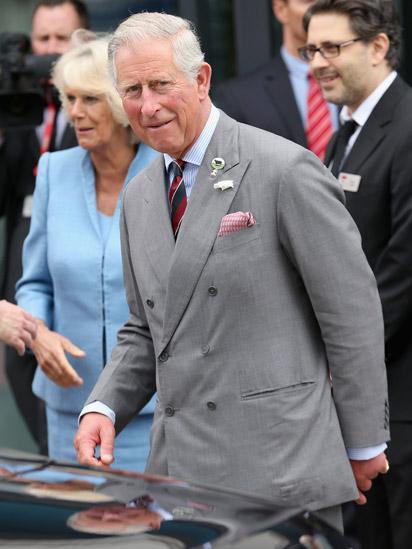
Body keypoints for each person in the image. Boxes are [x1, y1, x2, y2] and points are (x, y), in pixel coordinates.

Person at [74, 12, 390, 530]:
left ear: (201, 80)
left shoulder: (283, 169)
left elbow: (350, 313)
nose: (148, 106)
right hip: (178, 482)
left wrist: (362, 443)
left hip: (278, 476)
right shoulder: (139, 197)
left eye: (160, 85)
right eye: (132, 90)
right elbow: (144, 328)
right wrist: (103, 407)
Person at [16, 31, 158, 471]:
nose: (75, 113)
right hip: (68, 408)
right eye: (69, 98)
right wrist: (38, 334)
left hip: (153, 410)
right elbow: (35, 282)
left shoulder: (165, 173)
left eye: (90, 99)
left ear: (120, 103)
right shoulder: (54, 173)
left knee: (150, 535)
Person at [302, 1, 412, 547]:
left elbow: (402, 268)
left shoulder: (407, 126)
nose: (318, 62)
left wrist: (342, 361)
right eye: (311, 50)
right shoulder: (345, 133)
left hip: (400, 397)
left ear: (378, 46)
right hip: (364, 397)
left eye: (332, 48)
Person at [0, 0, 89, 454]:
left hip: (82, 289)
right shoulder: (15, 105)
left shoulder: (94, 106)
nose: (50, 52)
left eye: (62, 40)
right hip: (21, 284)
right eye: (42, 40)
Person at [213, 0, 339, 159]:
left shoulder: (359, 79)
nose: (322, 7)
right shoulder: (239, 97)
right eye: (309, 1)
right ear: (281, 9)